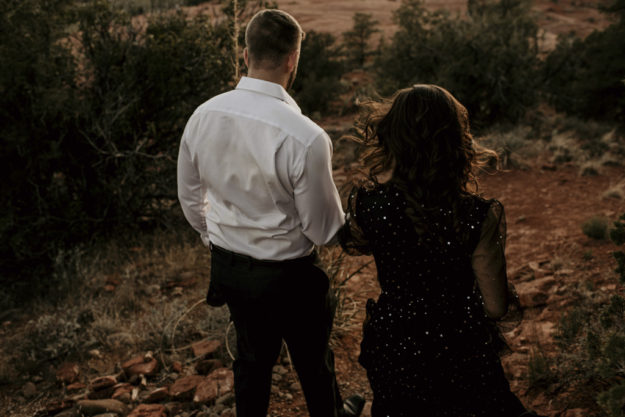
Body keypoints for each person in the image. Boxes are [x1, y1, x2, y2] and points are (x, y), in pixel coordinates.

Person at [177, 9, 364, 417]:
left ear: (246, 55)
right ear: (292, 59)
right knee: (313, 365)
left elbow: (191, 199)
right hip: (290, 278)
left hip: (231, 270)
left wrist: (220, 241)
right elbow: (323, 229)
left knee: (250, 362)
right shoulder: (306, 136)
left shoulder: (202, 116)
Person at [339, 85, 544, 417]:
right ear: (455, 140)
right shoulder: (478, 214)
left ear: (393, 137)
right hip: (463, 350)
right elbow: (495, 306)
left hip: (396, 348)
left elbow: (354, 241)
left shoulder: (370, 206)